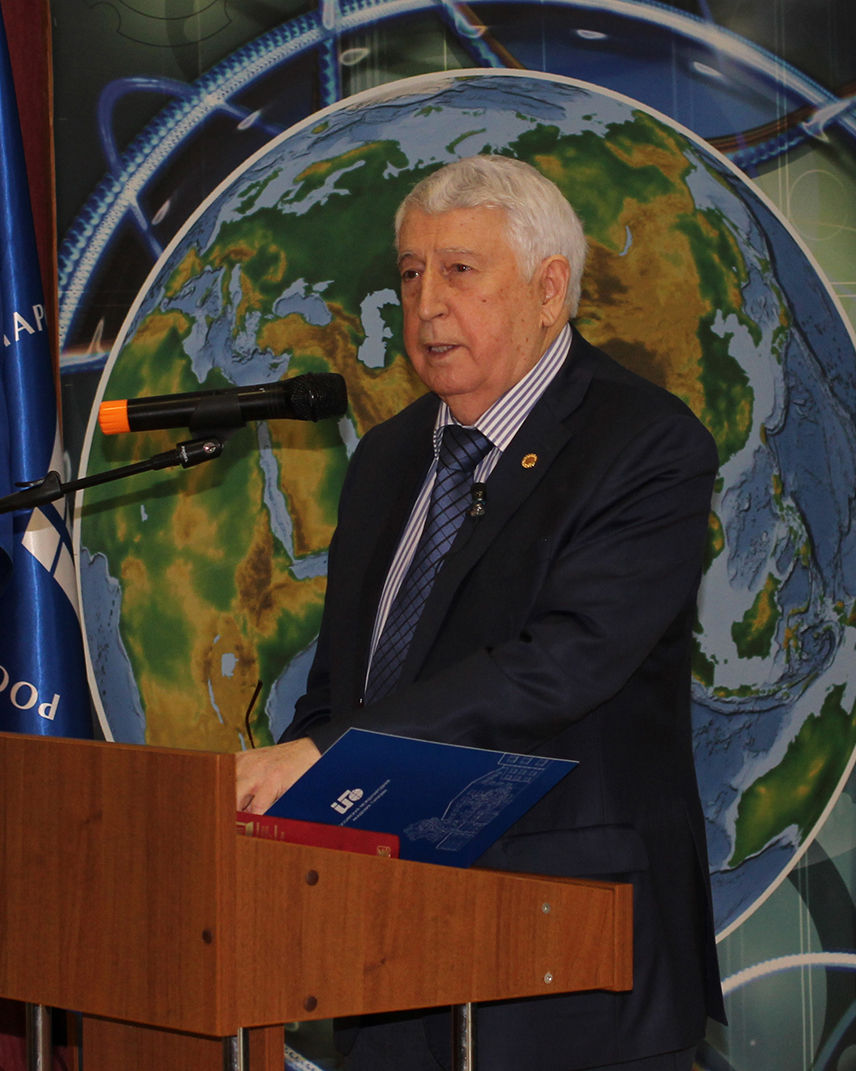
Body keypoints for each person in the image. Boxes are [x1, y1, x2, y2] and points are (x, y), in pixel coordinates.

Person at [236, 154, 725, 1071]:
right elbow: (344, 685)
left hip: (567, 965)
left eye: (459, 270)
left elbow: (560, 665)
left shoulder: (645, 444)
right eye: (411, 273)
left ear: (550, 289)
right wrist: (281, 806)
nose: (426, 304)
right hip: (380, 961)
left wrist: (331, 755)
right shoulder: (387, 458)